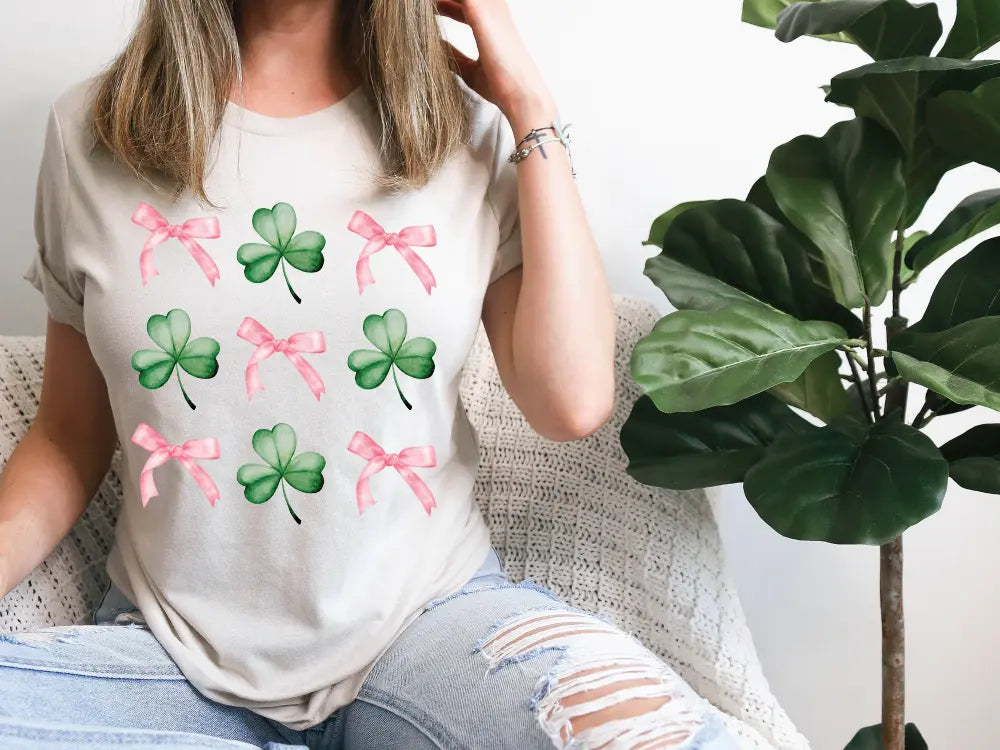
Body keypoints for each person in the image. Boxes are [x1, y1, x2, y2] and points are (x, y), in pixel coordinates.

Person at [0, 1, 741, 748]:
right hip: (167, 659)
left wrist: (530, 109)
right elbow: (68, 436)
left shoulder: (469, 129)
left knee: (647, 732)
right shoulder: (94, 131)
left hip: (431, 632)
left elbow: (571, 402)